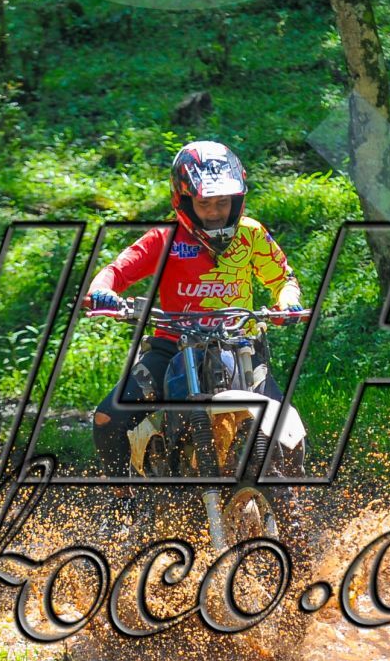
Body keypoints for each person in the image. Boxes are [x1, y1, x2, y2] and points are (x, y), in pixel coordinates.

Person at [87, 140, 304, 487]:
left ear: (237, 201)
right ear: (185, 201)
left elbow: (283, 279)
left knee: (286, 426)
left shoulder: (251, 234)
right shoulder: (164, 238)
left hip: (240, 347)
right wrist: (103, 291)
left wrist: (287, 302)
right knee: (107, 418)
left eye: (223, 202)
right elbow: (116, 271)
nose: (215, 212)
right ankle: (122, 502)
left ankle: (292, 503)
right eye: (205, 203)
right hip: (172, 347)